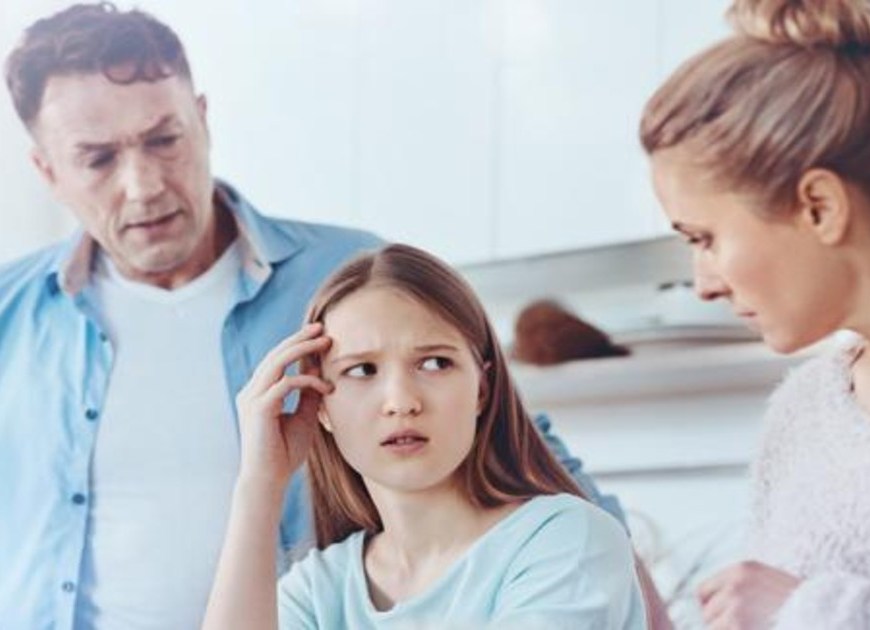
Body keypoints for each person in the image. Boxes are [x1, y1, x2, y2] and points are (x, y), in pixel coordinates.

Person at [0, 3, 640, 629]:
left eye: (164, 140)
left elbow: (529, 449)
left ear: (203, 120)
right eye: (99, 159)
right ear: (47, 171)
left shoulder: (352, 277)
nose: (144, 184)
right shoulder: (10, 312)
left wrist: (634, 597)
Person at [202, 243, 647, 629]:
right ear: (321, 406)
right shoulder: (319, 590)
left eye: (434, 363)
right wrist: (260, 485)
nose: (401, 402)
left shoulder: (567, 541)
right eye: (362, 370)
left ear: (482, 389)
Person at [640, 0, 870, 628]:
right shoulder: (802, 415)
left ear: (819, 207)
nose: (703, 285)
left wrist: (810, 609)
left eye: (705, 238)